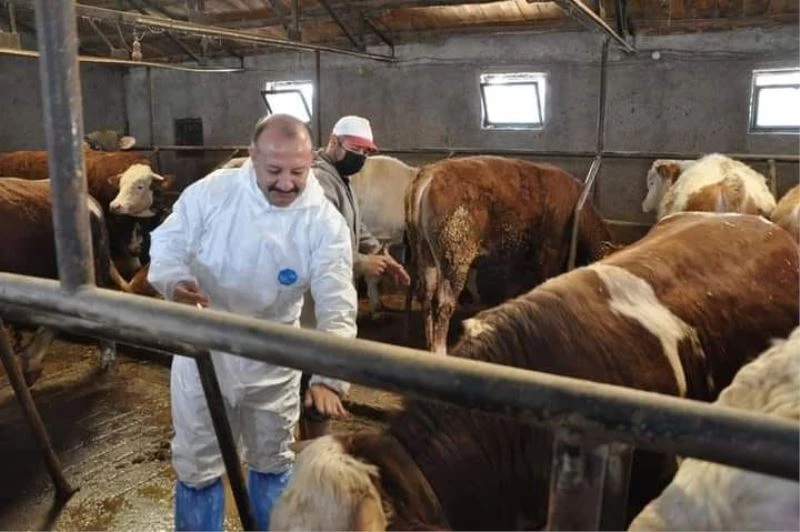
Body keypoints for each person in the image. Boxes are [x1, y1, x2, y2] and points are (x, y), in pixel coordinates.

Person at [147, 114, 357, 531]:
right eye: (274, 171)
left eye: (298, 172)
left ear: (309, 161)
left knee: (272, 458)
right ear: (252, 156)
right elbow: (168, 243)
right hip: (205, 347)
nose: (287, 183)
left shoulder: (321, 220)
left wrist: (328, 376)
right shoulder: (212, 194)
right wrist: (174, 282)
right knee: (198, 463)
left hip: (273, 356)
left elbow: (337, 299)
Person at [297, 115, 410, 440]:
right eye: (357, 149)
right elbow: (315, 243)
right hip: (312, 302)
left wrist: (381, 255)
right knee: (313, 371)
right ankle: (310, 447)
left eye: (367, 152)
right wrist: (362, 264)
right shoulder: (319, 181)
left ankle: (312, 441)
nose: (362, 158)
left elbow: (353, 227)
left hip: (331, 296)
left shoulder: (339, 179)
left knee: (320, 369)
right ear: (334, 142)